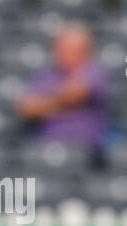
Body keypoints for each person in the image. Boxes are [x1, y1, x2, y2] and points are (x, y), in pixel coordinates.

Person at [16, 22, 109, 162]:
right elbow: (26, 108)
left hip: (84, 153)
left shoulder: (95, 72)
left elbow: (75, 94)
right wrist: (60, 101)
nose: (59, 52)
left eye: (66, 48)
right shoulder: (47, 75)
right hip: (44, 150)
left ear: (83, 51)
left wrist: (44, 104)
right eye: (59, 47)